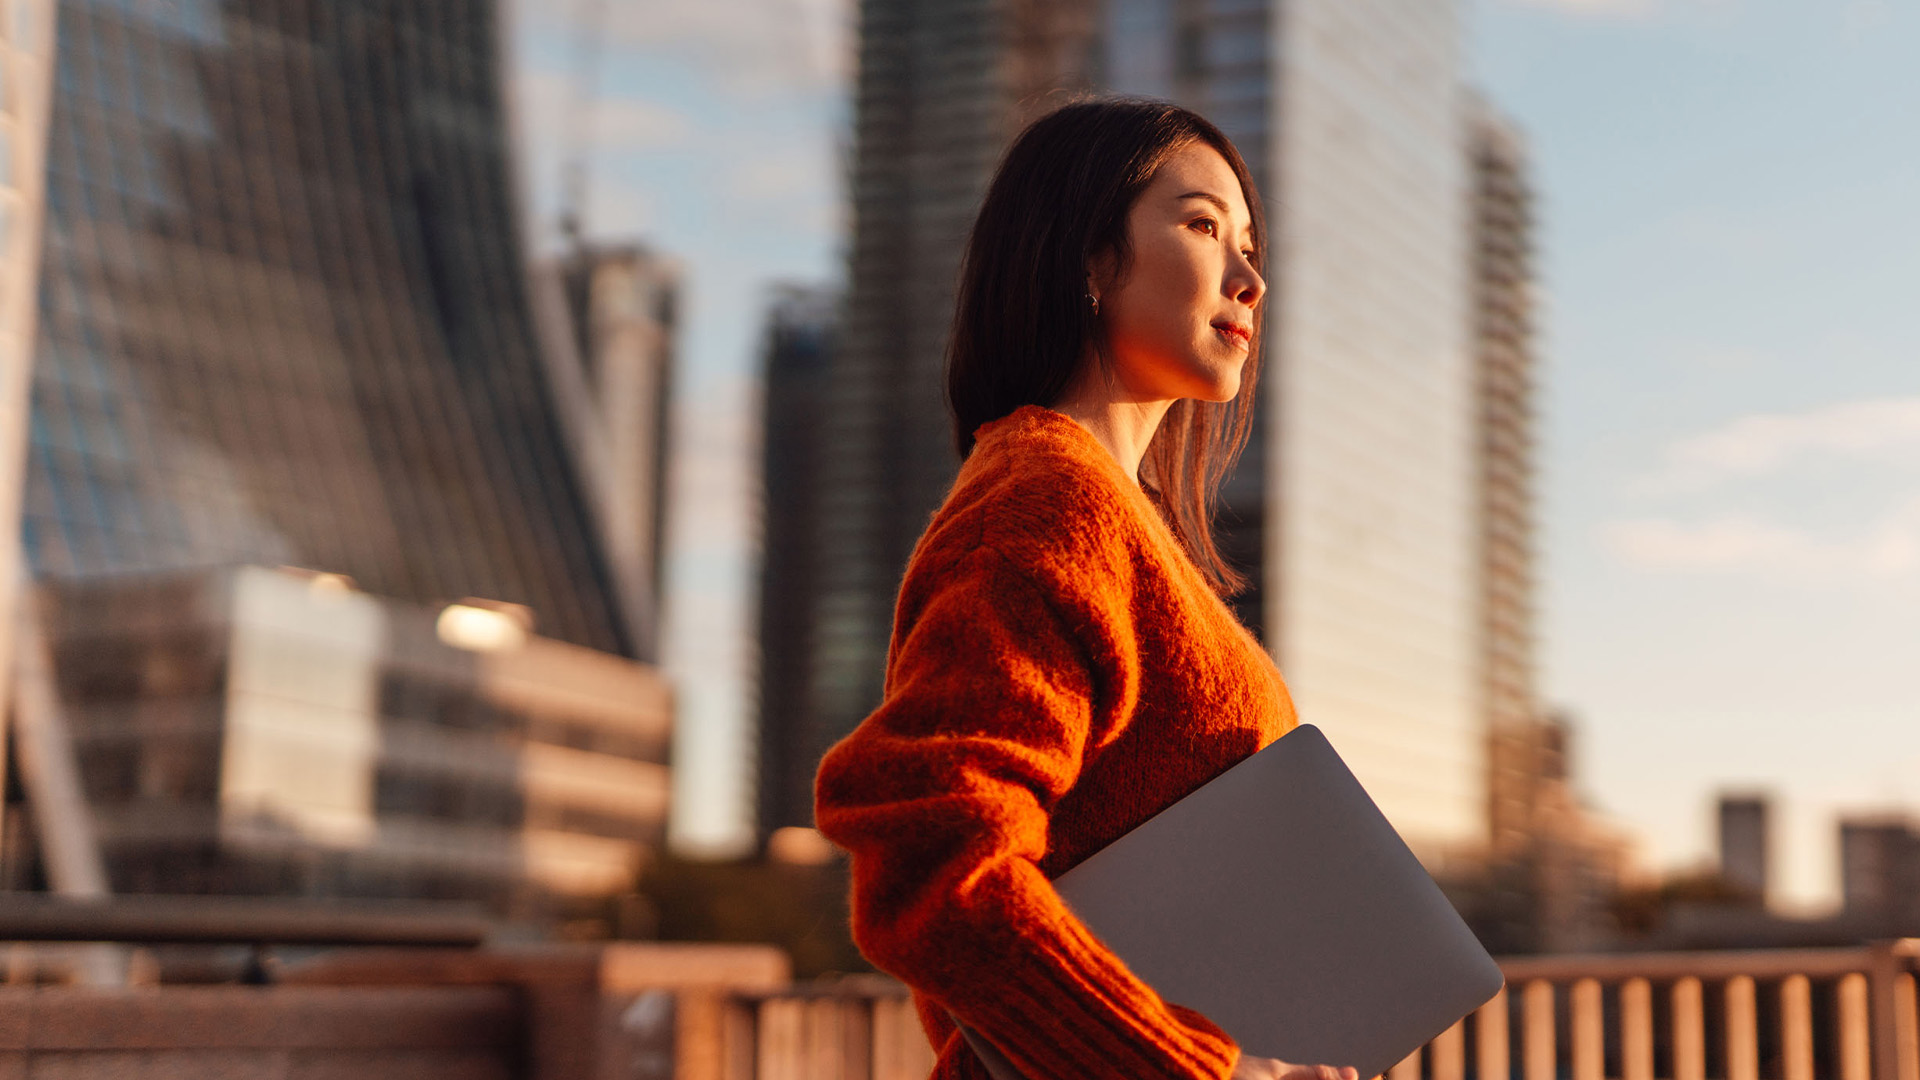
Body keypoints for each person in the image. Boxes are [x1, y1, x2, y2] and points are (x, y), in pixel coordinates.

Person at [814, 99, 1359, 1080]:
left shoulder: (1120, 519)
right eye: (1201, 225)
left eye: (1249, 242)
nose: (1251, 276)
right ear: (1091, 258)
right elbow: (935, 862)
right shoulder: (1044, 498)